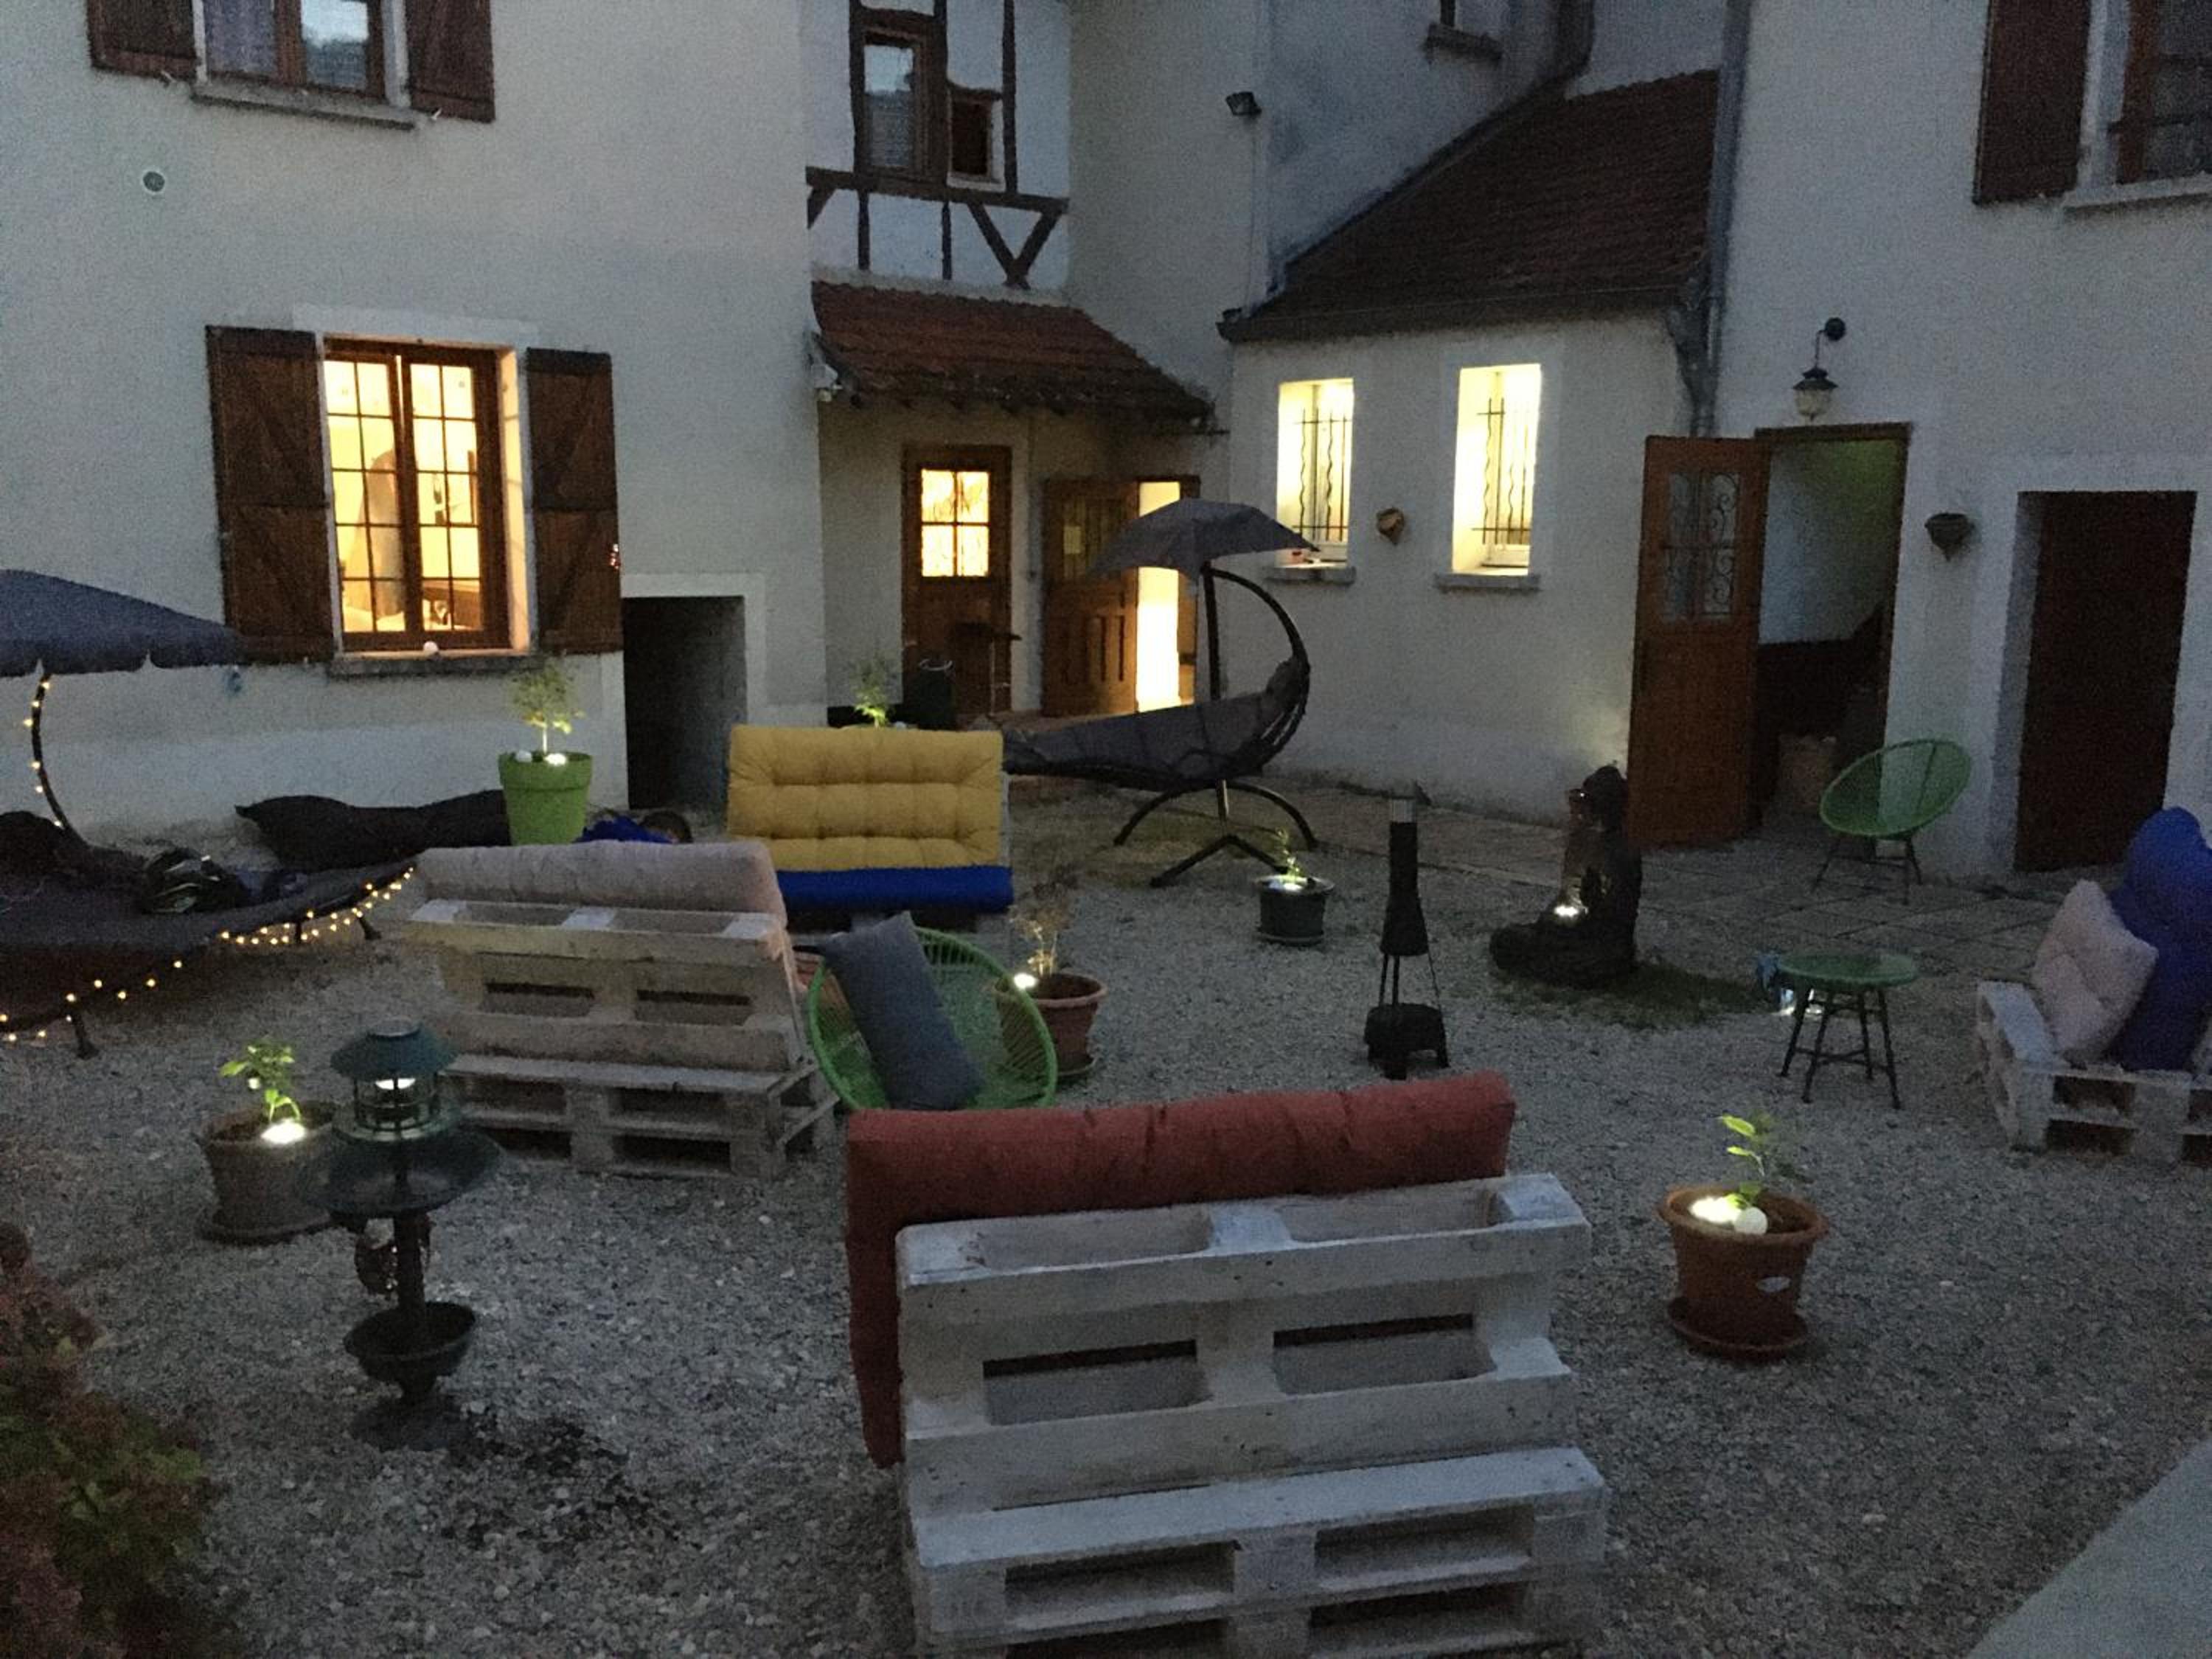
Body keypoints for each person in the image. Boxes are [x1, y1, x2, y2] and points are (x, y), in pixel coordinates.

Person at [1489, 765, 1642, 987]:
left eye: (1587, 803)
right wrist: (1551, 924)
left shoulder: (1619, 852)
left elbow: (1614, 921)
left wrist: (1590, 907)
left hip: (1601, 947)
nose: (1579, 811)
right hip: (1574, 934)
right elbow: (1567, 897)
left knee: (1575, 965)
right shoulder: (1585, 841)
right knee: (1507, 940)